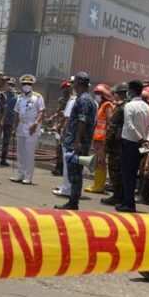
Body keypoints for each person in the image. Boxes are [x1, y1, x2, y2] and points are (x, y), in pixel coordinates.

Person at [55, 72, 97, 210]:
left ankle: (73, 202)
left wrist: (78, 142)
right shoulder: (88, 99)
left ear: (79, 84)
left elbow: (82, 121)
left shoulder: (83, 100)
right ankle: (73, 200)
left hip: (76, 142)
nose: (73, 86)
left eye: (74, 83)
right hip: (78, 141)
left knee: (75, 172)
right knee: (75, 172)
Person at [116, 81, 149, 213]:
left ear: (131, 91)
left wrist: (141, 139)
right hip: (142, 145)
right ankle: (127, 201)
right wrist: (147, 139)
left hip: (130, 143)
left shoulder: (130, 106)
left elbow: (129, 126)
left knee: (128, 175)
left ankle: (129, 203)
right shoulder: (147, 107)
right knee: (133, 173)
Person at [11, 74, 46, 185]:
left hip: (32, 127)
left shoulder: (37, 97)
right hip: (21, 126)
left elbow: (41, 112)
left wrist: (36, 124)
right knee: (20, 152)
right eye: (25, 84)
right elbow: (16, 113)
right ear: (22, 85)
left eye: (29, 84)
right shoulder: (19, 98)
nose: (27, 86)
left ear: (32, 85)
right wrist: (14, 128)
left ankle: (28, 176)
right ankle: (20, 174)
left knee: (29, 153)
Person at [101, 83, 128, 206]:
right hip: (124, 144)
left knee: (114, 171)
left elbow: (112, 128)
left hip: (116, 145)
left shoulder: (120, 108)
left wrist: (107, 145)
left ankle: (117, 197)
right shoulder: (129, 106)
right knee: (121, 171)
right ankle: (121, 196)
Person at [85, 83, 114, 195]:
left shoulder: (107, 105)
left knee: (101, 162)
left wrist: (107, 138)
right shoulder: (101, 105)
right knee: (98, 162)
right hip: (98, 138)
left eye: (99, 94)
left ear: (104, 95)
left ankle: (99, 186)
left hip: (102, 139)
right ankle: (97, 184)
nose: (96, 95)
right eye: (96, 93)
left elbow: (110, 122)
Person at [53, 77, 78, 198]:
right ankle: (67, 186)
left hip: (69, 134)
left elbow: (67, 119)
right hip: (76, 135)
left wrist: (62, 132)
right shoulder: (88, 100)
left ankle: (67, 188)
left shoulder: (73, 100)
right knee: (72, 163)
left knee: (68, 161)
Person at [0, 79, 18, 167]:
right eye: (9, 84)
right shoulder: (2, 94)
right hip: (0, 120)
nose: (10, 86)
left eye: (12, 85)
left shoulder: (16, 97)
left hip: (10, 121)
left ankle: (3, 158)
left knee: (6, 141)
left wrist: (15, 124)